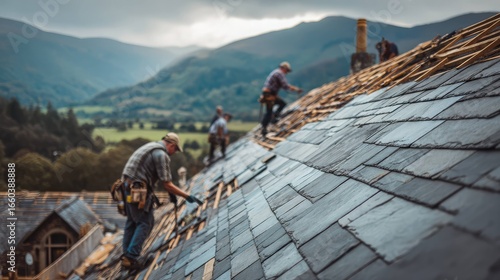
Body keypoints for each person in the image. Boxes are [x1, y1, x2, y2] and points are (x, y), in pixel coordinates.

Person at [120, 132, 202, 269]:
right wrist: (187, 196)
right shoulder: (161, 154)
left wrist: (171, 194)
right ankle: (132, 257)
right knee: (145, 222)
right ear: (171, 145)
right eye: (175, 149)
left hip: (126, 186)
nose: (174, 153)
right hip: (137, 189)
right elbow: (167, 184)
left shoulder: (151, 146)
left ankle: (126, 257)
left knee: (132, 221)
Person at [260, 61, 302, 137]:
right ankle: (267, 125)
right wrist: (296, 89)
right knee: (271, 110)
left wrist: (293, 88)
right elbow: (285, 85)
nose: (287, 73)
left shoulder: (276, 72)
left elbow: (284, 85)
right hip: (269, 95)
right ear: (284, 68)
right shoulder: (279, 73)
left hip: (269, 94)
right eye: (287, 70)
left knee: (279, 105)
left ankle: (273, 118)